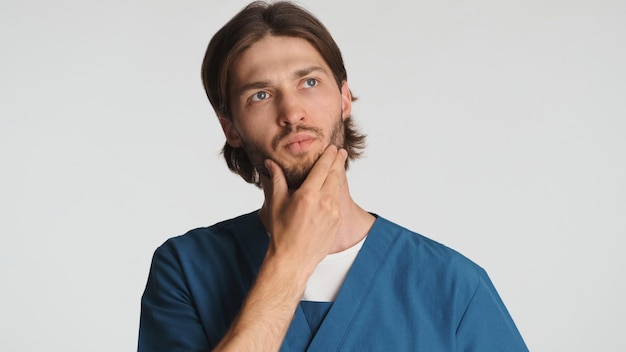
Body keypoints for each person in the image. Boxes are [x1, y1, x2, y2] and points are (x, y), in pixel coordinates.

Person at [138, 1, 528, 351]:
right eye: (260, 94)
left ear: (344, 98)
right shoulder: (186, 271)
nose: (292, 112)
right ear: (231, 128)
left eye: (309, 83)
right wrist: (288, 263)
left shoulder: (451, 286)